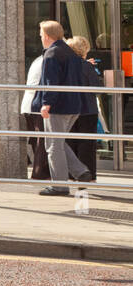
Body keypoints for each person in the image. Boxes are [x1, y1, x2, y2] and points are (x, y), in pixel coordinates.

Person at [32, 21, 96, 195]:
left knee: (53, 146)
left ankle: (60, 186)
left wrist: (46, 103)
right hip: (73, 105)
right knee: (57, 142)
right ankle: (81, 172)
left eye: (41, 34)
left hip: (58, 107)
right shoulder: (69, 52)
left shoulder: (52, 53)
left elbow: (50, 81)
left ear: (47, 36)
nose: (40, 37)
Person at [64, 35, 102, 179]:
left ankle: (73, 174)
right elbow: (96, 88)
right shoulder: (86, 66)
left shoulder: (65, 65)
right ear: (84, 49)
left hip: (69, 109)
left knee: (70, 142)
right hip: (87, 109)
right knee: (87, 144)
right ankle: (88, 174)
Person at [20, 51, 49, 180]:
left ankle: (41, 172)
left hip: (29, 104)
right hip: (36, 105)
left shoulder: (38, 59)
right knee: (41, 141)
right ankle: (39, 173)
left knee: (37, 141)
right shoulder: (47, 60)